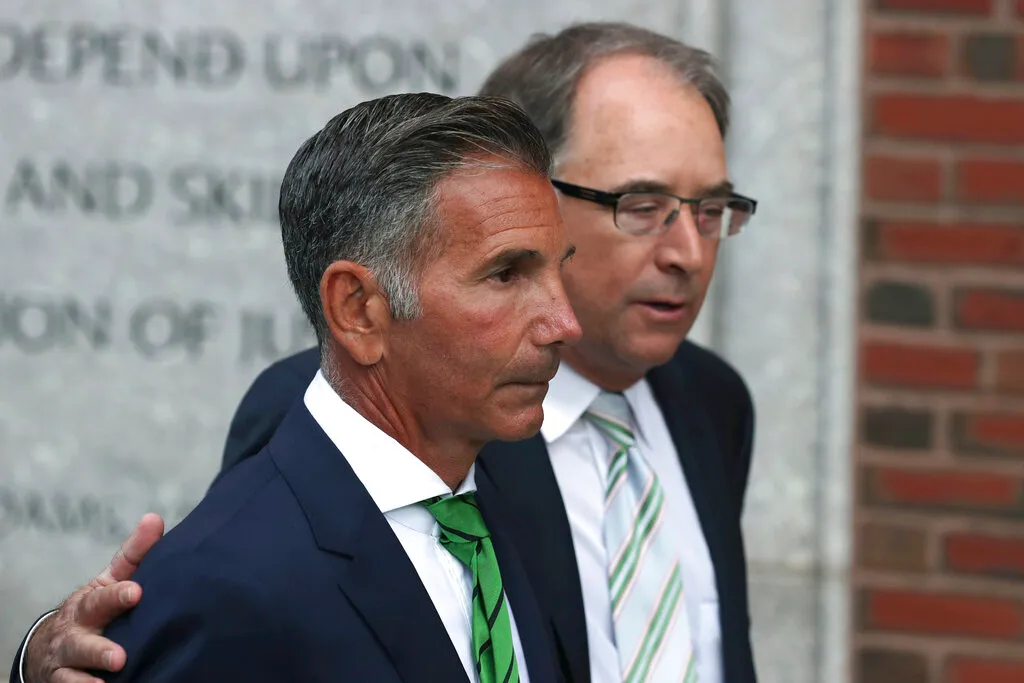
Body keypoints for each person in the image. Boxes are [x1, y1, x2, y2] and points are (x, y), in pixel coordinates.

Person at [13, 21, 760, 683]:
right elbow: (238, 607)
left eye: (713, 209)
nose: (690, 252)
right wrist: (55, 655)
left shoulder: (712, 406)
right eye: (642, 206)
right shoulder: (357, 420)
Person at [13, 91, 582, 683]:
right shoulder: (223, 589)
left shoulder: (514, 497)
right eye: (506, 275)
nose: (565, 322)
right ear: (357, 310)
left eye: (559, 268)